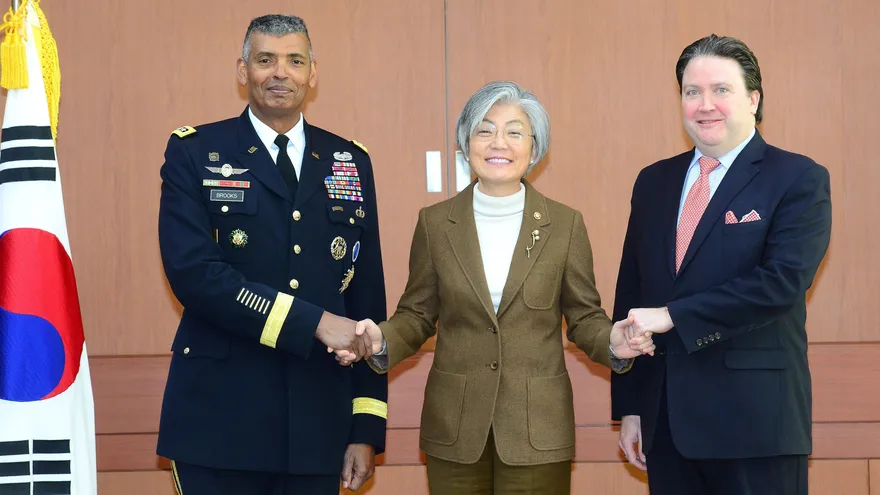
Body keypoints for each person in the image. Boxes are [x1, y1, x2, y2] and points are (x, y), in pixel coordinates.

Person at [334, 81, 655, 495]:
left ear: (534, 149)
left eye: (514, 132)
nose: (498, 143)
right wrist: (380, 340)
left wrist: (613, 341)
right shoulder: (435, 223)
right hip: (454, 425)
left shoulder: (564, 224)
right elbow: (416, 315)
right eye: (484, 130)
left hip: (537, 428)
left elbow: (584, 316)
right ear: (466, 145)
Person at [156, 14, 388, 494]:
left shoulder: (349, 161)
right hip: (218, 421)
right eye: (265, 60)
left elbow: (367, 300)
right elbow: (195, 275)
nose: (280, 73)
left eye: (294, 61)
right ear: (243, 71)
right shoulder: (196, 153)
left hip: (317, 422)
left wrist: (364, 428)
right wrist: (315, 322)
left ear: (312, 73)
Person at [611, 34, 832, 495]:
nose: (704, 104)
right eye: (692, 92)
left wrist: (674, 316)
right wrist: (630, 407)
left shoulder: (797, 178)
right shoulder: (653, 182)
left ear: (753, 98)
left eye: (721, 90)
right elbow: (632, 293)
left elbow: (781, 284)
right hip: (665, 423)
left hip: (754, 425)